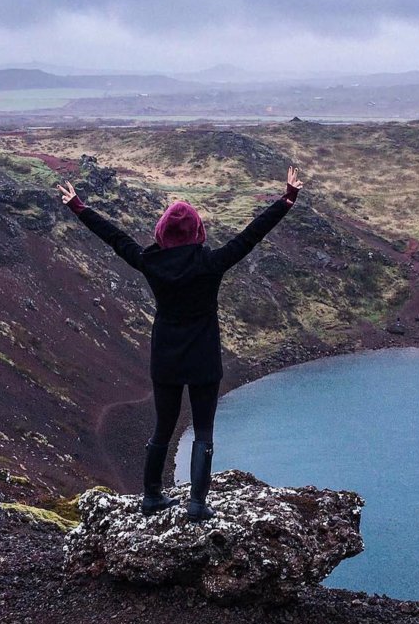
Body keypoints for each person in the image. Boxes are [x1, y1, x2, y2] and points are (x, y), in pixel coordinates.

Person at [57, 165, 303, 522]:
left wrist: (79, 206)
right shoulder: (211, 262)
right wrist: (287, 199)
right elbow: (250, 236)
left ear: (162, 231)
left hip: (166, 357)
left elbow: (114, 237)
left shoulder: (150, 261)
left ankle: (151, 496)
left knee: (162, 428)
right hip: (203, 357)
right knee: (203, 430)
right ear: (198, 231)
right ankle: (197, 503)